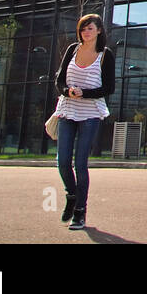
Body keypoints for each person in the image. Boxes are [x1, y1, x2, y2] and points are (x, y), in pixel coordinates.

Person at [53, 13, 115, 231]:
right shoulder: (72, 50)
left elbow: (109, 88)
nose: (85, 32)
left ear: (98, 30)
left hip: (90, 114)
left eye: (89, 28)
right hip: (68, 110)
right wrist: (67, 91)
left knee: (80, 163)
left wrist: (85, 93)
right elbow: (59, 80)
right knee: (62, 162)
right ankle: (72, 195)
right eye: (82, 29)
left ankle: (80, 212)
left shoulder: (105, 55)